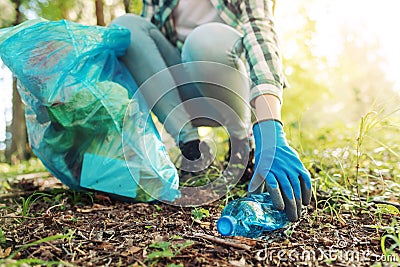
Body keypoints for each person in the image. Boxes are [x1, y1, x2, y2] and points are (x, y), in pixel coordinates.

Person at [111, 0, 311, 221]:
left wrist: (270, 125)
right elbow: (143, 52)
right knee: (126, 28)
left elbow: (261, 36)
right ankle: (191, 149)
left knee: (204, 40)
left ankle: (242, 146)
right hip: (182, 93)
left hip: (231, 88)